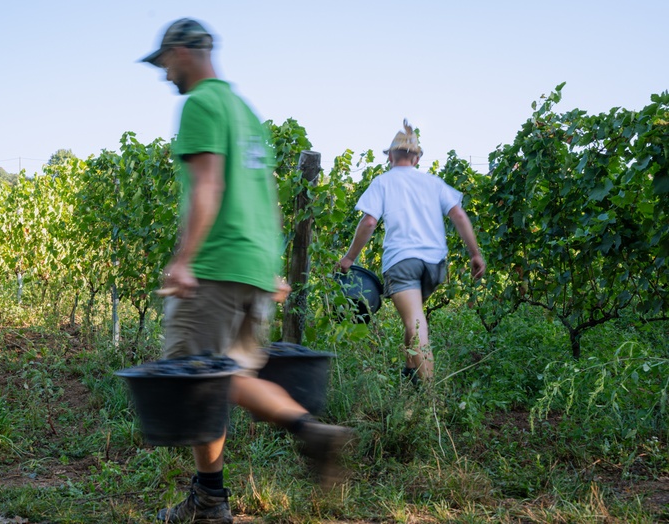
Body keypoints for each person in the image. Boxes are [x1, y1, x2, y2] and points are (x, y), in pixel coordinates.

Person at [141, 18, 354, 524]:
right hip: (252, 264)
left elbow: (208, 187)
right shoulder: (245, 111)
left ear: (183, 51)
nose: (163, 75)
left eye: (165, 62)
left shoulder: (200, 104)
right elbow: (264, 196)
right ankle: (210, 498)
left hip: (216, 263)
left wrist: (186, 259)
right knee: (223, 371)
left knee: (197, 376)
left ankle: (306, 431)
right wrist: (271, 267)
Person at [338, 120, 485, 384]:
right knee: (413, 318)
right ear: (416, 158)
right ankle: (410, 378)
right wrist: (475, 253)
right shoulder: (434, 183)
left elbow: (369, 222)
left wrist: (349, 258)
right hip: (435, 264)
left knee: (416, 324)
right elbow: (459, 215)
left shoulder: (383, 182)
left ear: (391, 156)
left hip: (401, 262)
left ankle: (430, 399)